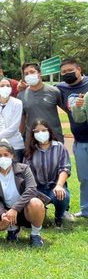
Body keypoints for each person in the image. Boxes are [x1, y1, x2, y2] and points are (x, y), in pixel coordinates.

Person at [0, 142, 48, 247]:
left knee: (36, 203)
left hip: (26, 208)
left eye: (6, 155)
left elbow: (31, 189)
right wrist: (2, 214)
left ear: (12, 156)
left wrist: (15, 208)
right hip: (7, 211)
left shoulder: (24, 169)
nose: (3, 158)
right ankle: (13, 228)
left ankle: (35, 234)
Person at [23, 120, 72, 226]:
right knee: (31, 210)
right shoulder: (30, 151)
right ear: (33, 134)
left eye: (44, 130)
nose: (41, 133)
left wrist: (59, 185)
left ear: (49, 131)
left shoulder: (59, 147)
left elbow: (65, 168)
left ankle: (59, 217)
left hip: (54, 187)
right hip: (37, 188)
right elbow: (27, 173)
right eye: (37, 131)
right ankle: (40, 214)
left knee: (63, 196)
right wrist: (33, 191)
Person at [58, 58, 88, 218]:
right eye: (63, 72)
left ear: (79, 69)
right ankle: (86, 210)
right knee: (84, 177)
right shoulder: (62, 88)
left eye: (70, 70)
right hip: (80, 139)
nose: (67, 74)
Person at [18, 62, 64, 141]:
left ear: (39, 73)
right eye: (26, 74)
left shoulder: (54, 91)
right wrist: (20, 137)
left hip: (54, 138)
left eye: (32, 72)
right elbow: (22, 120)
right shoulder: (21, 95)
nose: (29, 75)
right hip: (32, 141)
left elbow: (68, 110)